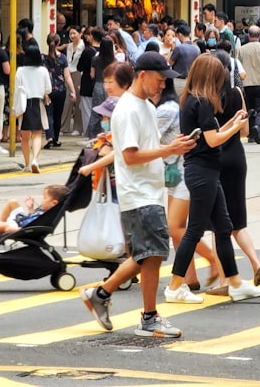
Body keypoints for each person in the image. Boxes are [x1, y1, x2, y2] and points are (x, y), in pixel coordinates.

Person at [81, 52, 198, 338]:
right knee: (152, 253)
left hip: (149, 191)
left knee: (149, 254)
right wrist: (168, 150)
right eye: (159, 80)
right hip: (138, 193)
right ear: (142, 75)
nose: (162, 86)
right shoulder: (128, 110)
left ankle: (103, 295)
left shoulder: (145, 105)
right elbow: (130, 156)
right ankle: (144, 314)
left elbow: (146, 146)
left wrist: (172, 146)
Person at [162, 54, 260, 304]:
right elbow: (212, 140)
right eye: (219, 76)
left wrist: (230, 122)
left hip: (203, 169)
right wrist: (233, 127)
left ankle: (236, 283)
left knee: (223, 227)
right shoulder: (203, 102)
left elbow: (211, 133)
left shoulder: (190, 99)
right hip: (203, 170)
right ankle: (175, 286)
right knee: (195, 229)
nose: (222, 82)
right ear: (212, 77)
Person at [153, 76, 224, 290]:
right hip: (177, 171)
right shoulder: (173, 105)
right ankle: (189, 278)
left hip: (183, 171)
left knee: (176, 226)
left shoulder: (166, 110)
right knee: (179, 226)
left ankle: (211, 260)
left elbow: (147, 139)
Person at [212, 49, 260, 285]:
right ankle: (257, 264)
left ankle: (225, 280)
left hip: (216, 157)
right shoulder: (237, 93)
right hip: (237, 157)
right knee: (238, 220)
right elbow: (245, 130)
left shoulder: (207, 96)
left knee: (218, 224)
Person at [0, 184, 69, 253]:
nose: (42, 200)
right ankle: (0, 223)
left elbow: (33, 226)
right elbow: (33, 219)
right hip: (23, 221)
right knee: (12, 202)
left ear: (54, 203)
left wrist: (17, 229)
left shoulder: (47, 214)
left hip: (21, 228)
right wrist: (30, 208)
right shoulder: (46, 212)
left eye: (44, 198)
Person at [14, 44, 51, 173]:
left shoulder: (20, 70)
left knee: (25, 137)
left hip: (24, 104)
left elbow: (16, 90)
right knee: (37, 134)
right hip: (37, 103)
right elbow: (48, 89)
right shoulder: (43, 70)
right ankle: (35, 159)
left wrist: (14, 108)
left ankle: (27, 164)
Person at [43, 33, 75, 149]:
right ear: (58, 43)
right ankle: (56, 139)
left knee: (48, 115)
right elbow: (67, 77)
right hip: (61, 91)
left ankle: (50, 137)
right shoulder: (62, 58)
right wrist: (73, 91)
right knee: (58, 115)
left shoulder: (43, 57)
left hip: (47, 91)